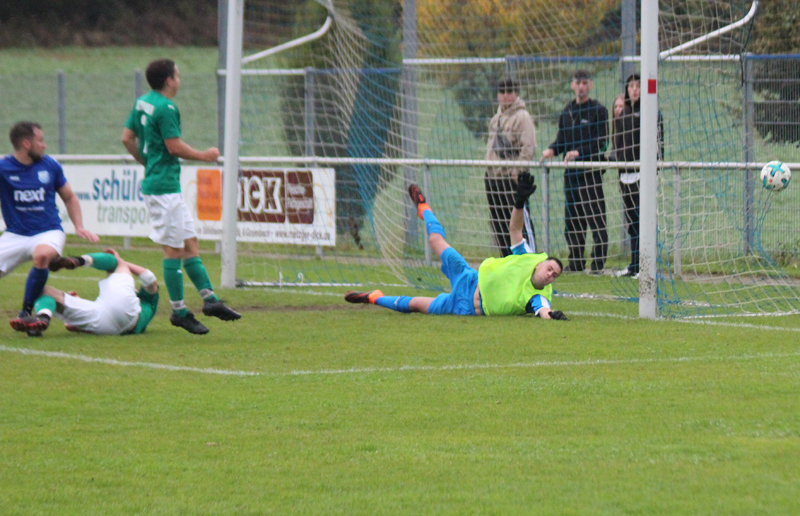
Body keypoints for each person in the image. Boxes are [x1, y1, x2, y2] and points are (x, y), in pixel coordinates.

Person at [122, 58, 240, 335]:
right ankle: (178, 311)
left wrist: (146, 162)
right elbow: (173, 147)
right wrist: (205, 156)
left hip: (163, 185)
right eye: (177, 74)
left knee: (189, 242)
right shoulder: (166, 107)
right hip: (163, 189)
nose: (180, 78)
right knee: (173, 250)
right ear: (169, 80)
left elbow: (127, 137)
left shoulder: (143, 102)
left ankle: (210, 300)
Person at [345, 173, 568, 320]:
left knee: (414, 304)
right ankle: (424, 207)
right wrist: (519, 203)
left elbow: (544, 311)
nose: (550, 275)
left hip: (463, 307)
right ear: (540, 263)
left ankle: (374, 297)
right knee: (435, 241)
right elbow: (515, 230)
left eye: (554, 275)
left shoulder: (539, 295)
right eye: (549, 268)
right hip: (469, 278)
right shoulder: (527, 257)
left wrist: (554, 316)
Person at [0, 121, 99, 336]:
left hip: (48, 231)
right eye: (40, 141)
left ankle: (26, 312)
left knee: (42, 255)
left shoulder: (50, 166)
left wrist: (79, 226)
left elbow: (69, 197)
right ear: (27, 143)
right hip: (15, 234)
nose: (44, 145)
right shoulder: (3, 168)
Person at [541, 69, 609, 274]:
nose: (581, 86)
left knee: (596, 219)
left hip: (590, 174)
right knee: (572, 220)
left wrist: (579, 153)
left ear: (590, 85)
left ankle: (598, 264)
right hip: (570, 176)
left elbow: (602, 143)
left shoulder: (598, 111)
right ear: (572, 85)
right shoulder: (567, 112)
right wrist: (552, 149)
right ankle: (576, 261)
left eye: (585, 82)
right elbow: (562, 140)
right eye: (577, 82)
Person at [9, 248, 159, 336]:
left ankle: (79, 260)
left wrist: (120, 261)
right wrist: (79, 301)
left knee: (115, 263)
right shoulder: (140, 303)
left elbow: (150, 279)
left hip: (124, 317)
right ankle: (42, 317)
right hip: (109, 326)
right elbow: (70, 326)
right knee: (42, 291)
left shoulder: (147, 304)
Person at [613, 74, 664, 278]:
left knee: (643, 222)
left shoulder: (651, 112)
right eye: (631, 86)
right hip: (625, 175)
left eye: (638, 86)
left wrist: (656, 168)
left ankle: (646, 266)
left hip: (642, 175)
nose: (634, 90)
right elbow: (618, 143)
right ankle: (634, 266)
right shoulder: (623, 113)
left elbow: (659, 142)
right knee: (632, 224)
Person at [485, 77, 538, 256]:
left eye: (510, 92)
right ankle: (506, 260)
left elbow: (529, 146)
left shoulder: (522, 116)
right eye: (502, 92)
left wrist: (517, 172)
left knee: (517, 223)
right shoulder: (496, 118)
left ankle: (528, 261)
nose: (506, 96)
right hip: (494, 179)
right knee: (499, 224)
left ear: (516, 94)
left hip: (511, 179)